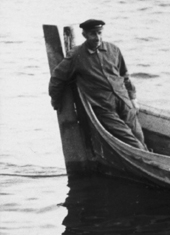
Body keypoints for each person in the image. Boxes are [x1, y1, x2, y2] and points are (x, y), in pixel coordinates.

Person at [48, 19, 146, 150]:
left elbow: (124, 75)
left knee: (139, 137)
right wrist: (56, 101)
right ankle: (151, 162)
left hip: (124, 102)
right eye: (93, 34)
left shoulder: (113, 50)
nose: (97, 37)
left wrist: (133, 98)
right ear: (85, 35)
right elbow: (57, 78)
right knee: (132, 142)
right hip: (103, 107)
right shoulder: (76, 55)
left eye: (99, 33)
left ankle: (149, 158)